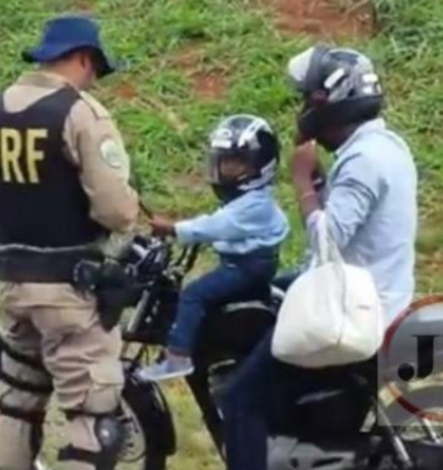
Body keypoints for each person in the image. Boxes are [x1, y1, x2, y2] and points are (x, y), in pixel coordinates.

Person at [219, 44, 418, 470]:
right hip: (379, 294)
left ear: (331, 101)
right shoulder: (387, 146)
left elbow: (328, 239)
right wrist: (322, 183)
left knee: (240, 400)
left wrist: (300, 181)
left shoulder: (363, 160)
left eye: (308, 99)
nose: (304, 108)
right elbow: (352, 221)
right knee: (274, 293)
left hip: (354, 310)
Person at [0, 14, 140, 470]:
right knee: (92, 413)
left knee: (18, 399)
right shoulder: (80, 113)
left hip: (10, 282)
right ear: (83, 59)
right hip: (70, 290)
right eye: (95, 69)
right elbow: (116, 211)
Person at [137, 114, 290, 382]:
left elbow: (213, 226)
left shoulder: (252, 205)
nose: (222, 172)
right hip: (246, 265)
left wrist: (173, 228)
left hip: (245, 268)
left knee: (194, 295)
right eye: (221, 163)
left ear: (260, 167)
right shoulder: (251, 201)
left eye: (232, 164)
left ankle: (178, 356)